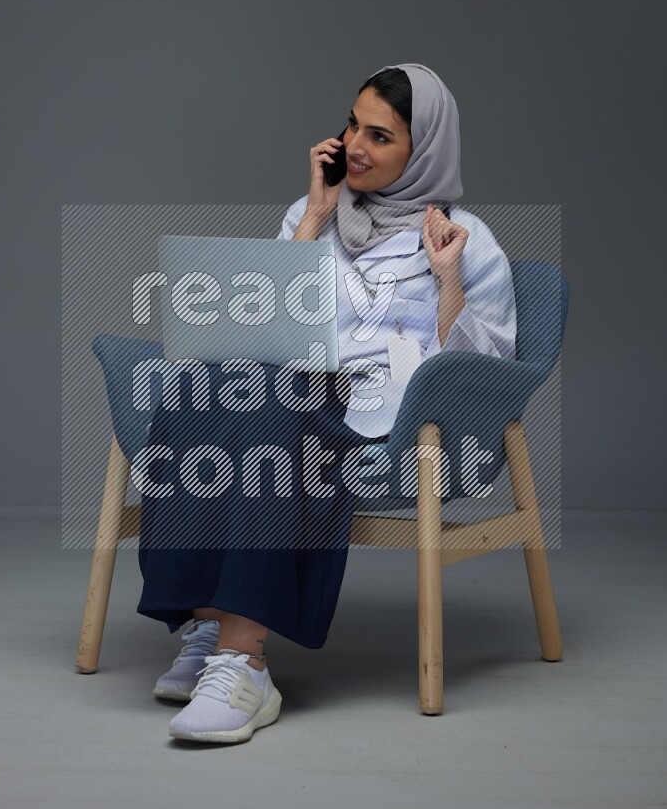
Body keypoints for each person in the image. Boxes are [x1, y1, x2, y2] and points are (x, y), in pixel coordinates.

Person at [138, 62, 516, 744]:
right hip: (299, 391)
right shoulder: (308, 213)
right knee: (195, 387)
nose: (356, 146)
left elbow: (475, 369)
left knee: (269, 409)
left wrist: (447, 277)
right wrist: (314, 215)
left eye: (381, 135)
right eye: (352, 125)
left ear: (423, 148)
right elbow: (258, 325)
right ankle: (206, 622)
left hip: (389, 420)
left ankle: (242, 660)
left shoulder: (466, 238)